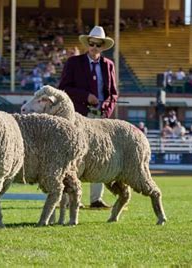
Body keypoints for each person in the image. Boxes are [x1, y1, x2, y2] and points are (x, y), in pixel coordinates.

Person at [58, 26, 118, 209]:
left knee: (98, 156)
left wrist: (106, 109)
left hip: (101, 118)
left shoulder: (109, 65)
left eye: (98, 44)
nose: (94, 47)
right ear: (87, 44)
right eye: (91, 43)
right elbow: (64, 89)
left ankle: (96, 199)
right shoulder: (74, 63)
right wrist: (86, 96)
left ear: (102, 46)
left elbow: (113, 94)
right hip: (78, 117)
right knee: (74, 156)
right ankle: (69, 198)